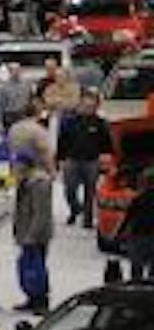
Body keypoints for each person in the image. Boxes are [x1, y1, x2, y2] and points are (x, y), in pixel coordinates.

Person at [13, 146, 56, 314]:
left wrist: (32, 235)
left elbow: (41, 213)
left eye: (17, 164)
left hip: (36, 234)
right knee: (28, 267)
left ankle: (41, 301)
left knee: (37, 268)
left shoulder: (39, 184)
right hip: (26, 232)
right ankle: (32, 298)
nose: (14, 167)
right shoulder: (25, 181)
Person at [60, 91, 111, 229]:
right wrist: (60, 159)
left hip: (92, 161)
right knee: (69, 189)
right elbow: (62, 141)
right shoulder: (69, 121)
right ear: (80, 104)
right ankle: (75, 209)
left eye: (91, 105)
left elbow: (107, 143)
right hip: (72, 160)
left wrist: (106, 157)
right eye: (85, 104)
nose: (87, 107)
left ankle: (87, 220)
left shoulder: (101, 123)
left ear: (96, 106)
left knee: (90, 191)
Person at [121, 170, 154, 280]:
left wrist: (121, 233)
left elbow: (128, 217)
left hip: (139, 235)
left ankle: (136, 284)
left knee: (137, 267)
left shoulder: (138, 199)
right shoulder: (138, 199)